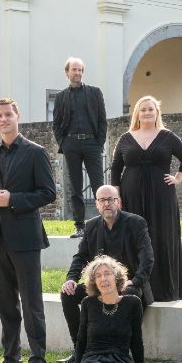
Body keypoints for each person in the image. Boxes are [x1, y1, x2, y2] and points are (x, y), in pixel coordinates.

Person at [0, 97, 57, 363]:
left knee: (32, 304)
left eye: (8, 114)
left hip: (25, 239)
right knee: (6, 305)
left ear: (17, 116)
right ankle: (11, 362)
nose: (3, 119)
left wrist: (13, 200)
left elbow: (48, 193)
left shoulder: (36, 152)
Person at [57, 184, 154, 363]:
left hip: (130, 285)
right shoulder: (91, 226)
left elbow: (147, 258)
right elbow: (80, 257)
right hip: (100, 284)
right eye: (102, 200)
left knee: (128, 296)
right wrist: (71, 279)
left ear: (119, 202)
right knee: (68, 294)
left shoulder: (136, 222)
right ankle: (81, 348)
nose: (107, 204)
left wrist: (135, 281)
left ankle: (122, 352)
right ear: (97, 204)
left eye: (111, 199)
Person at [110, 95, 182, 301]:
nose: (147, 112)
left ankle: (164, 290)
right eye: (143, 109)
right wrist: (116, 195)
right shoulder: (125, 138)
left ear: (157, 113)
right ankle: (133, 288)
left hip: (161, 196)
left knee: (161, 236)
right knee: (133, 238)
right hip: (131, 196)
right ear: (137, 113)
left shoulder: (167, 136)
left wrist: (177, 178)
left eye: (151, 109)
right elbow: (116, 169)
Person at [52, 57, 108, 238]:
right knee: (75, 187)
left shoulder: (95, 93)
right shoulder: (61, 97)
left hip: (92, 143)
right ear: (67, 72)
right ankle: (79, 226)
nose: (77, 73)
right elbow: (56, 124)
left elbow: (102, 121)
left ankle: (104, 223)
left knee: (98, 185)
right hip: (71, 145)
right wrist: (64, 144)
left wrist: (99, 143)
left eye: (80, 70)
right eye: (74, 70)